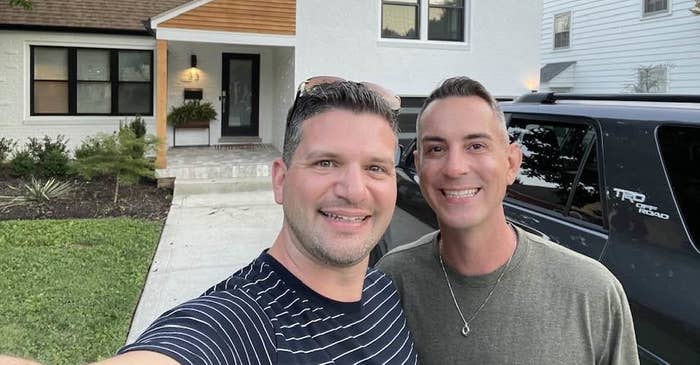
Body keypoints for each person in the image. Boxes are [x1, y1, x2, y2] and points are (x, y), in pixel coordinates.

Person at [2, 79, 417, 365]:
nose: (354, 189)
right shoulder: (243, 323)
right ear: (281, 179)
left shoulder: (386, 290)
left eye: (376, 168)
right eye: (326, 162)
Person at [378, 77, 639, 365]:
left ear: (511, 163)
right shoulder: (391, 280)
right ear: (418, 166)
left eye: (476, 146)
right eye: (437, 149)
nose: (454, 168)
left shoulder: (592, 292)